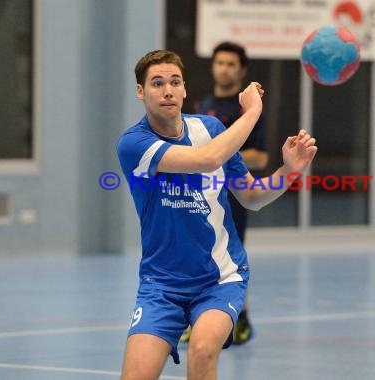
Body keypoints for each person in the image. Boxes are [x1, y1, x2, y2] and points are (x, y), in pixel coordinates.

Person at [116, 49, 317, 380]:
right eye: (157, 83)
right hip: (161, 284)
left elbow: (251, 197)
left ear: (184, 90)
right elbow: (208, 159)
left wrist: (289, 170)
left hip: (219, 279)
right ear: (141, 92)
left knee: (203, 349)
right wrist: (251, 113)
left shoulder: (209, 128)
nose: (167, 90)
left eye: (174, 82)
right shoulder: (134, 143)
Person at [181, 42, 268, 345]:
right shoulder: (203, 106)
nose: (225, 68)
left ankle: (241, 318)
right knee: (199, 254)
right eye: (220, 62)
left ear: (241, 70)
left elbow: (259, 157)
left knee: (232, 258)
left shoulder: (248, 109)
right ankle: (199, 317)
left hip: (233, 196)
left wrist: (222, 154)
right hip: (201, 195)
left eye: (231, 64)